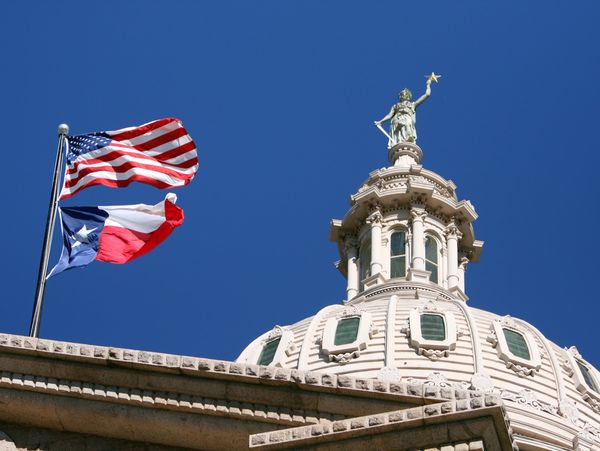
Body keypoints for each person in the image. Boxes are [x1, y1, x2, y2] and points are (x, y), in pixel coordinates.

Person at [375, 78, 432, 146]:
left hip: (407, 118)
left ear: (408, 96)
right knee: (399, 133)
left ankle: (409, 138)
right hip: (396, 119)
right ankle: (402, 142)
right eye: (402, 94)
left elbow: (427, 95)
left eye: (405, 94)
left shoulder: (412, 105)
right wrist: (381, 121)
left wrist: (428, 84)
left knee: (406, 123)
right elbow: (389, 115)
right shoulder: (396, 106)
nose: (403, 96)